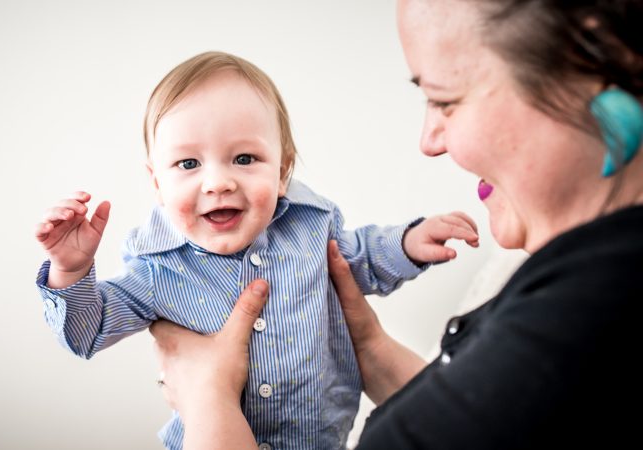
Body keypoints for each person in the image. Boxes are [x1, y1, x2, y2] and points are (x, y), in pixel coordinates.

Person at [149, 0, 643, 448]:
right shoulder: (566, 282)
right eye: (187, 164)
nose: (429, 140)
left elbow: (367, 250)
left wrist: (206, 397)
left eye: (445, 99)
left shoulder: (586, 315)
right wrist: (371, 348)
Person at [33, 51, 479, 449]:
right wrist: (70, 271)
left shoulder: (310, 228)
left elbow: (360, 256)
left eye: (244, 159)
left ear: (282, 171)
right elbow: (87, 332)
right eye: (188, 164)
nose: (218, 182)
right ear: (157, 184)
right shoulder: (156, 268)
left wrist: (408, 242)